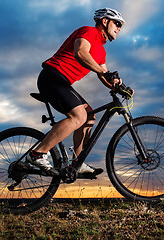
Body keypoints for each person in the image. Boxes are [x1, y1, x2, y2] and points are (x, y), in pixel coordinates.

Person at [26, 8, 126, 178]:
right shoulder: (89, 31)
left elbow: (103, 74)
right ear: (104, 21)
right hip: (52, 77)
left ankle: (77, 162)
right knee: (79, 116)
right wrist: (104, 74)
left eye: (120, 26)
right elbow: (80, 52)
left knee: (89, 116)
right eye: (116, 23)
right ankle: (37, 153)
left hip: (63, 82)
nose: (119, 28)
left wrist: (118, 86)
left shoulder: (102, 51)